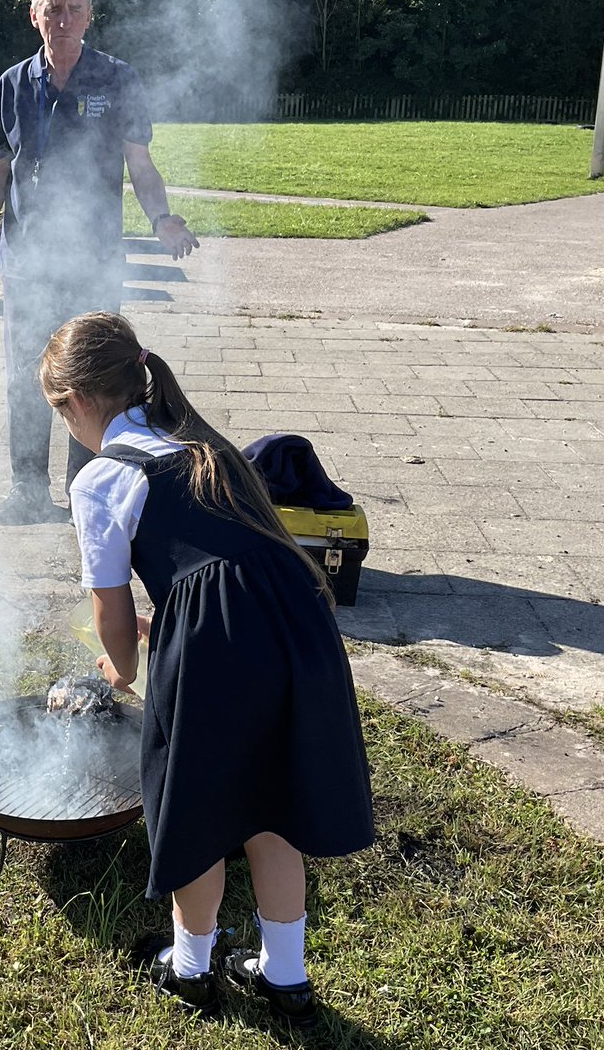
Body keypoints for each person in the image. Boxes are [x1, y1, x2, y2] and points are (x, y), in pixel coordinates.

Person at [39, 312, 374, 1025]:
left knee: (195, 808)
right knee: (272, 808)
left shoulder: (103, 478)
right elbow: (228, 570)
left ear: (75, 404)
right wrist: (175, 622)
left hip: (225, 654)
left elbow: (109, 608)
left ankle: (192, 969)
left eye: (60, 415)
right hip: (297, 627)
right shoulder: (203, 445)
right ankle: (286, 976)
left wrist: (125, 665)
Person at [0, 0, 198, 526]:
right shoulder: (12, 85)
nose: (64, 21)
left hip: (92, 264)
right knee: (25, 377)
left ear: (89, 16)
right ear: (34, 16)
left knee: (96, 380)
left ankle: (87, 491)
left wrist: (163, 219)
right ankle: (28, 492)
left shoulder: (118, 79)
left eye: (74, 10)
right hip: (28, 264)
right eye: (53, 10)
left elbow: (141, 164)